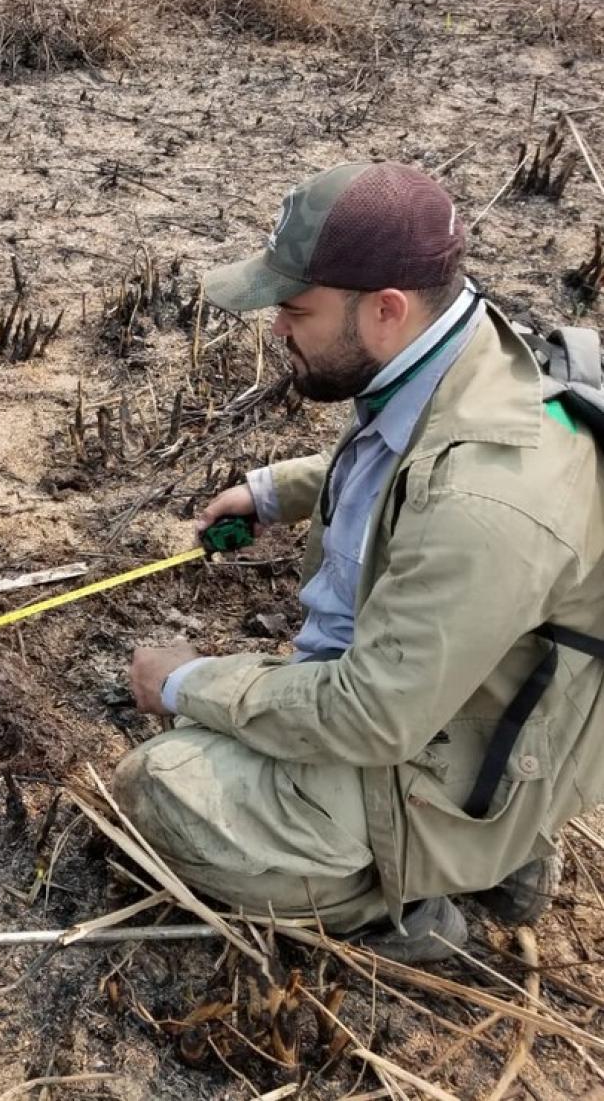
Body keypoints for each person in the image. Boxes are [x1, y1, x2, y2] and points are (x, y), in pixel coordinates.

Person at [120, 161, 604, 962]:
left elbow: (371, 714)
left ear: (384, 309)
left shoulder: (486, 499)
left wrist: (186, 681)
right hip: (474, 702)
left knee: (160, 783)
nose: (277, 329)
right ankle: (496, 860)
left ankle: (400, 905)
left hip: (448, 749)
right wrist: (280, 491)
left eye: (294, 309)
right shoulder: (459, 348)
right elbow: (408, 450)